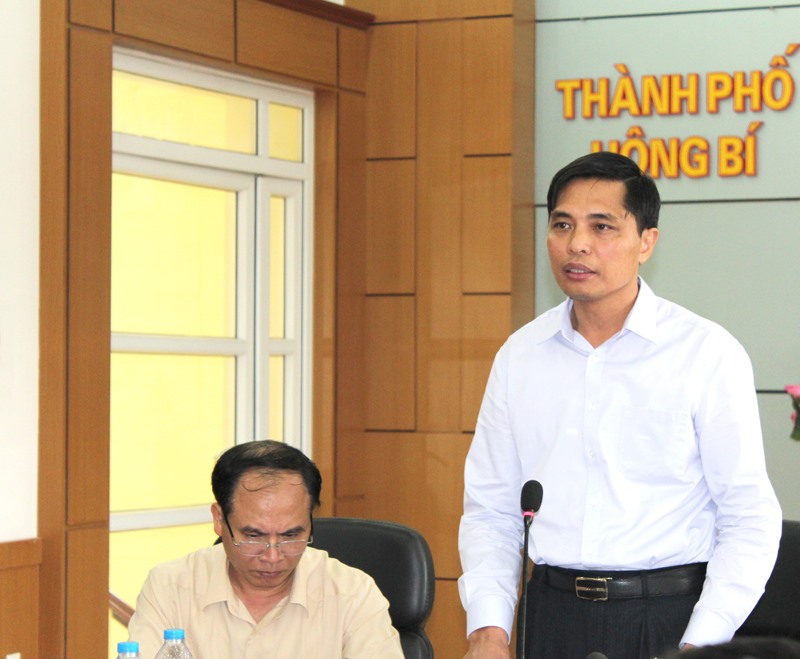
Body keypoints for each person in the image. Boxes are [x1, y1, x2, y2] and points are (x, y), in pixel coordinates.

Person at [457, 151, 782, 659]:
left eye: (602, 226)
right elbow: (491, 511)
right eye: (562, 224)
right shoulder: (520, 356)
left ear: (646, 241)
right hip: (551, 615)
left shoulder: (705, 353)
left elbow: (747, 516)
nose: (577, 244)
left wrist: (702, 643)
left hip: (668, 618)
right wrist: (488, 630)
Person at [127, 440, 403, 658]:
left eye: (291, 535)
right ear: (219, 520)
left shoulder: (352, 593)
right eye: (253, 536)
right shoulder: (171, 587)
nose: (272, 556)